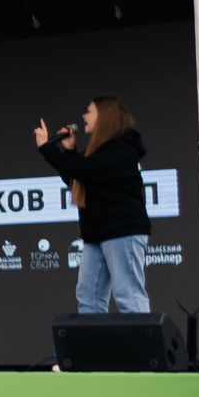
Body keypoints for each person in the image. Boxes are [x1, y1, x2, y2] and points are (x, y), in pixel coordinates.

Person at [34, 96, 150, 313]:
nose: (84, 116)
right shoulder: (97, 152)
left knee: (128, 296)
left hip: (122, 231)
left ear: (105, 117)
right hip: (96, 234)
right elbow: (76, 178)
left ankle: (143, 347)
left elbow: (83, 170)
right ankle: (93, 347)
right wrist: (69, 150)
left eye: (89, 112)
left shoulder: (120, 148)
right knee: (88, 298)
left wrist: (47, 148)